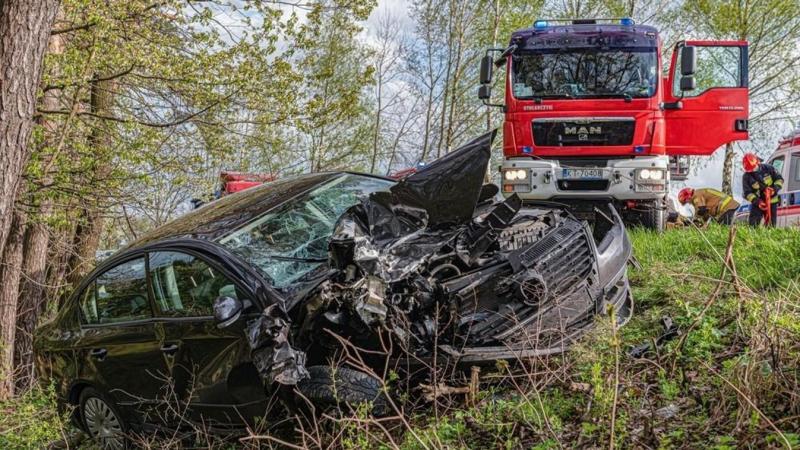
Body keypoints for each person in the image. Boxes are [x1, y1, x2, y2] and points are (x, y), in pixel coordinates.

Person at [742, 152, 783, 226]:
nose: (753, 170)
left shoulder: (768, 168)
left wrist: (774, 189)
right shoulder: (746, 177)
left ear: (758, 162)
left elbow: (779, 179)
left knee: (771, 225)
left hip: (772, 202)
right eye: (750, 170)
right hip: (758, 204)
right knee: (753, 224)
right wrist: (757, 201)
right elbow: (747, 193)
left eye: (754, 168)